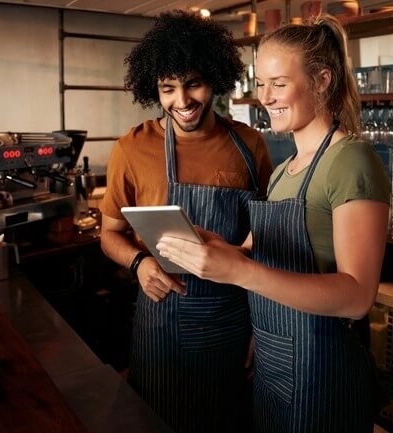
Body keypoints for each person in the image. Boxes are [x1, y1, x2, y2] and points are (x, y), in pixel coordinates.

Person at [156, 14, 390, 433]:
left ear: (321, 80)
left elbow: (357, 295)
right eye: (260, 83)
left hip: (324, 371)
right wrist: (217, 248)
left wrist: (241, 270)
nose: (265, 97)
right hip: (272, 363)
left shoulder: (352, 161)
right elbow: (254, 253)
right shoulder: (285, 170)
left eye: (278, 84)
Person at [98, 10, 273, 433]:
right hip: (162, 325)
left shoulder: (249, 146)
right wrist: (140, 265)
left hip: (232, 321)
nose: (183, 100)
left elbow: (267, 240)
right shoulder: (131, 149)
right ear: (154, 89)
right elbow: (110, 233)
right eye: (168, 88)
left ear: (214, 76)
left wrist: (261, 331)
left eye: (193, 83)